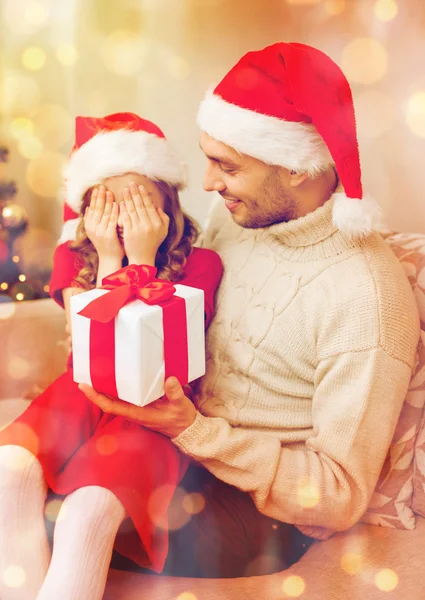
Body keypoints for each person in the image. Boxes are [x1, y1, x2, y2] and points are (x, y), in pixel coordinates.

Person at [79, 43, 421, 581]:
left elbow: (337, 496)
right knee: (24, 474)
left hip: (258, 509)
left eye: (226, 166)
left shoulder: (364, 298)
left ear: (298, 169)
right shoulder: (238, 216)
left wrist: (193, 431)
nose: (209, 183)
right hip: (175, 446)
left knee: (72, 518)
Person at [0, 112, 222, 600]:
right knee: (9, 470)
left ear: (167, 203)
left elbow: (146, 364)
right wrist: (107, 262)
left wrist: (140, 263)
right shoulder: (72, 259)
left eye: (139, 201)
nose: (123, 218)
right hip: (81, 390)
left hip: (150, 409)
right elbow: (95, 352)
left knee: (89, 509)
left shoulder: (202, 264)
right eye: (106, 203)